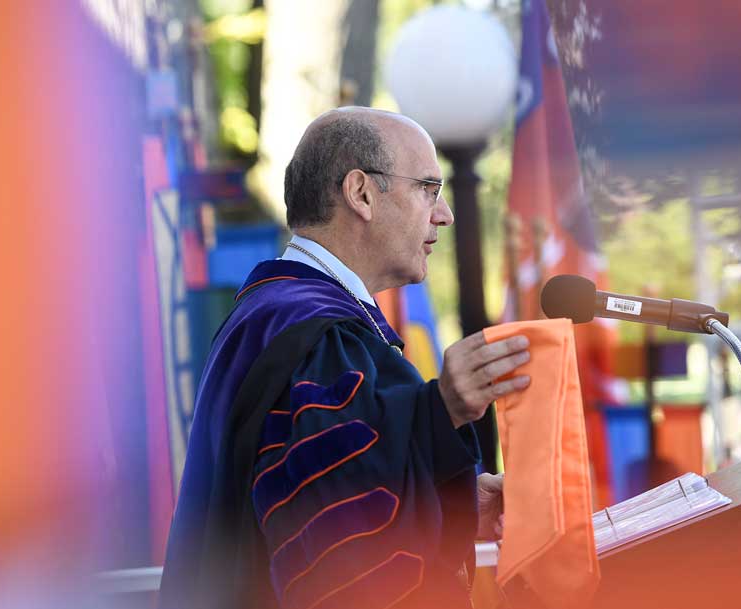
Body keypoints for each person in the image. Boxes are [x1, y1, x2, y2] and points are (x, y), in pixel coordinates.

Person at [159, 107, 531, 609]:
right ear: (361, 194)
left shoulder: (277, 315)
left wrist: (461, 500)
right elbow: (339, 549)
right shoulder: (315, 334)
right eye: (427, 188)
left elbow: (326, 485)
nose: (444, 214)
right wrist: (440, 410)